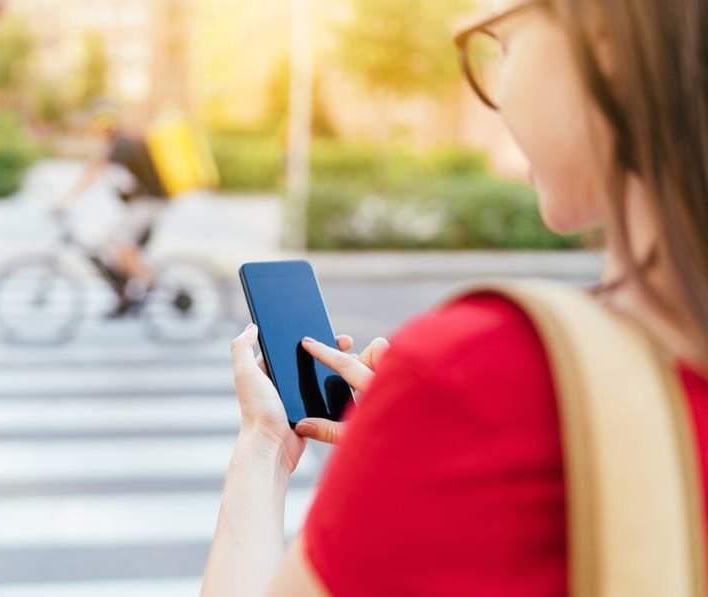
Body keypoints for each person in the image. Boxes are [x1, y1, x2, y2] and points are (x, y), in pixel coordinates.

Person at [201, 0, 708, 594]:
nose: (496, 91)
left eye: (501, 44)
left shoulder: (479, 380)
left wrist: (264, 445)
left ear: (601, 36)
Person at [52, 103, 169, 318]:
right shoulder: (121, 142)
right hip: (142, 203)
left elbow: (92, 173)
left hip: (149, 203)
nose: (90, 130)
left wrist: (63, 202)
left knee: (119, 245)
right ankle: (124, 294)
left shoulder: (120, 143)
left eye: (93, 124)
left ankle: (148, 283)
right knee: (107, 245)